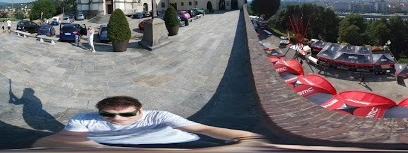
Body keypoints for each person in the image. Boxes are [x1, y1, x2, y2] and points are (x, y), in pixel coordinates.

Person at [32, 96, 265, 149]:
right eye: (108, 115)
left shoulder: (160, 117)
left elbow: (203, 130)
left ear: (141, 111)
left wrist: (245, 139)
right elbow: (58, 141)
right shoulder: (84, 119)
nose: (116, 119)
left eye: (126, 114)